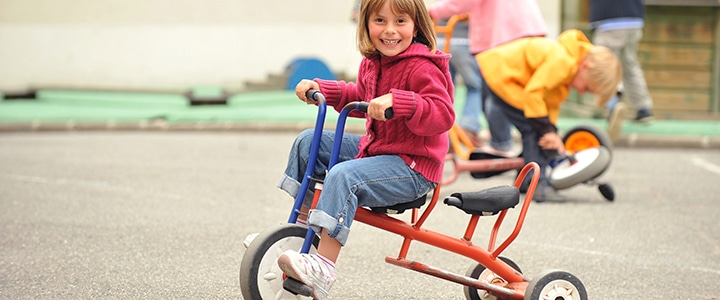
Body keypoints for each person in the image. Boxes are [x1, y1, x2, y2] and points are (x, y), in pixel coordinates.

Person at [276, 0, 455, 299]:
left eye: (400, 21)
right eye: (380, 21)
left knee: (344, 175)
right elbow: (361, 95)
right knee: (309, 142)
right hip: (378, 152)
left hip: (413, 168)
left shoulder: (423, 66)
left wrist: (402, 103)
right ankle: (298, 232)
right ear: (366, 23)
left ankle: (322, 268)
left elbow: (442, 113)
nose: (390, 30)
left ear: (416, 24)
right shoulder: (372, 63)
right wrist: (321, 89)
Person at [476, 29, 622, 202]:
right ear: (585, 67)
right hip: (501, 75)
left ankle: (525, 178)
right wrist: (547, 131)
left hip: (505, 77)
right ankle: (535, 184)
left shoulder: (567, 75)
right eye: (588, 88)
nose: (583, 93)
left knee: (540, 128)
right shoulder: (563, 61)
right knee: (532, 127)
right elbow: (533, 93)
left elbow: (549, 105)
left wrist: (551, 133)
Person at [428, 0, 547, 156]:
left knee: (496, 93)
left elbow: (461, 2)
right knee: (520, 92)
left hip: (504, 35)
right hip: (526, 30)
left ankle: (502, 143)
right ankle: (533, 144)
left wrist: (430, 11)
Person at [590, 0, 655, 142]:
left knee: (605, 66)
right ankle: (643, 108)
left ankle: (613, 105)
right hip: (634, 19)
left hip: (609, 19)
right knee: (630, 65)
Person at [436, 15, 484, 148]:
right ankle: (468, 127)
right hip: (464, 40)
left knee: (445, 87)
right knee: (475, 87)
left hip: (440, 38)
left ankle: (443, 129)